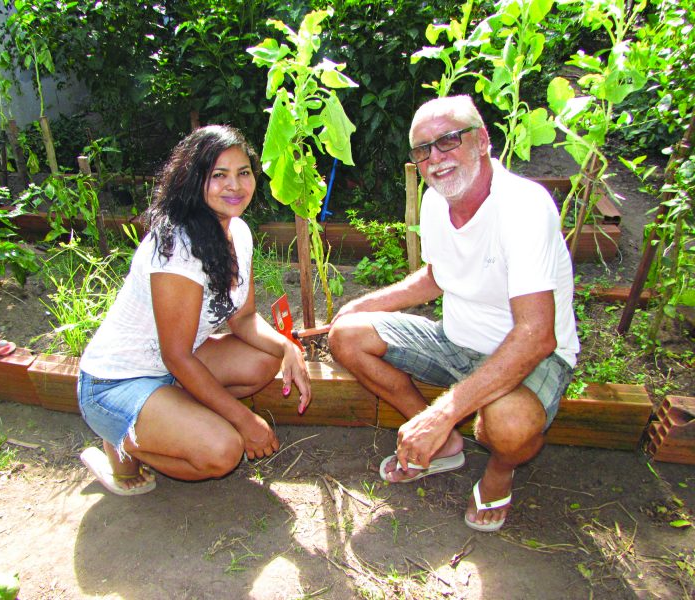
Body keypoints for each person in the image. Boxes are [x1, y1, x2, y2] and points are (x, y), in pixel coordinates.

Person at [328, 96, 579, 531]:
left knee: (509, 423)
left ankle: (499, 472)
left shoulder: (523, 207)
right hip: (455, 341)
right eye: (422, 150)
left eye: (446, 141)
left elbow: (538, 336)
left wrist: (439, 413)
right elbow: (435, 277)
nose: (434, 159)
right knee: (347, 335)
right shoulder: (434, 203)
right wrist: (361, 305)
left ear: (482, 141)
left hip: (530, 356)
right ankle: (444, 448)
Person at [77, 125, 311, 496]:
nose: (235, 185)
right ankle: (123, 441)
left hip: (171, 369)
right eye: (219, 175)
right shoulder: (177, 246)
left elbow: (244, 319)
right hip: (116, 382)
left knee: (263, 361)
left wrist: (288, 349)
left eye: (243, 173)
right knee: (224, 450)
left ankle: (172, 414)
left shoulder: (239, 232)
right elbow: (176, 354)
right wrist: (246, 421)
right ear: (193, 179)